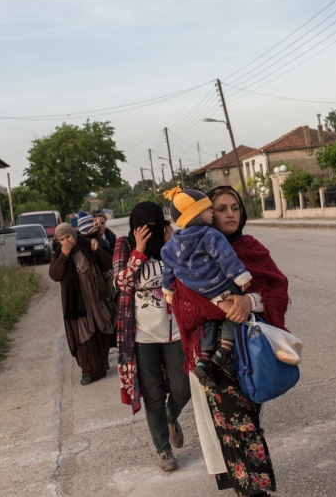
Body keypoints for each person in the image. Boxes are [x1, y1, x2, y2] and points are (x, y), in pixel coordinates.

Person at [170, 185, 290, 496]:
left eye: (234, 207)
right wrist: (221, 305)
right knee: (238, 426)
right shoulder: (191, 256)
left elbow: (277, 289)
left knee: (248, 423)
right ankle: (252, 490)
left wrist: (250, 301)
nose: (230, 214)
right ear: (206, 215)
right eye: (221, 209)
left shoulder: (251, 247)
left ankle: (248, 487)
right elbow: (183, 304)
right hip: (212, 359)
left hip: (251, 352)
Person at [113, 202, 191, 472]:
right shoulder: (124, 245)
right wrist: (139, 250)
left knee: (183, 388)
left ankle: (171, 418)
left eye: (154, 227)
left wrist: (172, 246)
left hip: (175, 331)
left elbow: (191, 275)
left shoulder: (172, 240)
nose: (150, 232)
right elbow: (122, 282)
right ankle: (163, 450)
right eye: (143, 228)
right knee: (154, 394)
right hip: (142, 336)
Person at [160, 187, 252, 387]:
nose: (229, 214)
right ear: (195, 214)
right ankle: (224, 350)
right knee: (233, 311)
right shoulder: (210, 235)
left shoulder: (171, 245)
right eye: (215, 209)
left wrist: (168, 291)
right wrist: (241, 278)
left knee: (208, 322)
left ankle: (203, 358)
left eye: (235, 208)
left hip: (200, 294)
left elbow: (168, 271)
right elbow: (227, 259)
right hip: (221, 287)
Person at [48, 223, 116, 385]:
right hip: (78, 305)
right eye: (62, 239)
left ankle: (100, 364)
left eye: (68, 237)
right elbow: (55, 275)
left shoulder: (88, 244)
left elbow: (109, 263)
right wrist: (64, 255)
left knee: (103, 330)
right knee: (84, 337)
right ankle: (88, 371)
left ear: (74, 234)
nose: (66, 241)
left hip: (96, 299)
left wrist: (97, 250)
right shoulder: (59, 254)